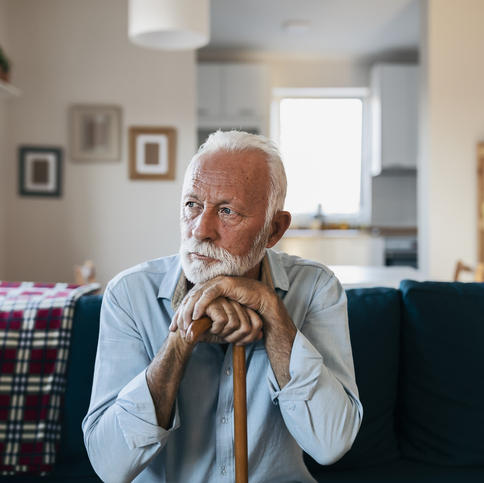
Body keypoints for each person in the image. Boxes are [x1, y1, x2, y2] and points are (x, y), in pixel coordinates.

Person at [82, 131, 362, 483]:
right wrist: (181, 338)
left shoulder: (317, 288)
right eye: (192, 205)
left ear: (274, 229)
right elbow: (111, 466)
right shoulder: (129, 293)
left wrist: (272, 311)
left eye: (227, 211)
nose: (201, 229)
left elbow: (330, 444)